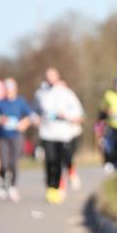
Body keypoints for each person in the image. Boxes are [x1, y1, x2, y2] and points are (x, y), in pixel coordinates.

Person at [33, 68, 83, 204]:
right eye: (47, 76)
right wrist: (35, 119)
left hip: (63, 133)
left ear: (57, 77)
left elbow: (78, 112)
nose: (50, 79)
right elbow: (34, 111)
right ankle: (51, 188)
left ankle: (61, 184)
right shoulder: (40, 93)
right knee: (50, 160)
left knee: (61, 161)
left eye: (52, 76)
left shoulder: (66, 93)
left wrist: (66, 115)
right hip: (47, 132)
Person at [0, 78, 33, 202]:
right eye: (7, 89)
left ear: (15, 89)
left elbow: (30, 116)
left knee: (13, 162)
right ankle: (2, 181)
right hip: (3, 136)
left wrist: (24, 123)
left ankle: (12, 186)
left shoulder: (20, 101)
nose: (9, 91)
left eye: (11, 89)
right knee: (4, 162)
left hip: (16, 135)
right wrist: (0, 119)